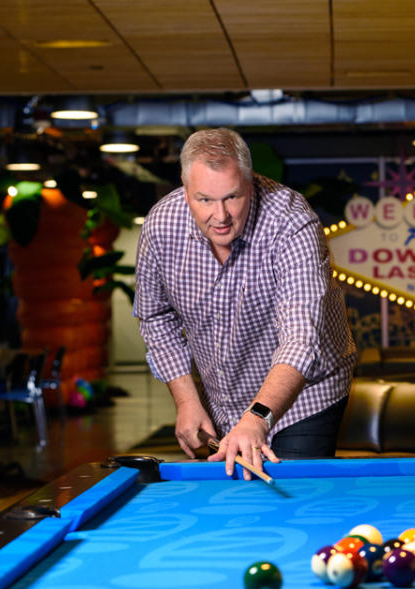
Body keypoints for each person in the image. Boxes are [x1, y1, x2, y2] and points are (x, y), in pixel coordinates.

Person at [134, 127, 356, 479]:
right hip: (219, 396)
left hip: (305, 396)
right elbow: (155, 316)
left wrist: (257, 418)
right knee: (231, 500)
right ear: (184, 188)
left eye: (233, 197)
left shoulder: (291, 220)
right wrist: (187, 401)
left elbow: (301, 337)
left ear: (251, 182)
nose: (220, 215)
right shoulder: (162, 224)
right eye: (204, 199)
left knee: (288, 498)